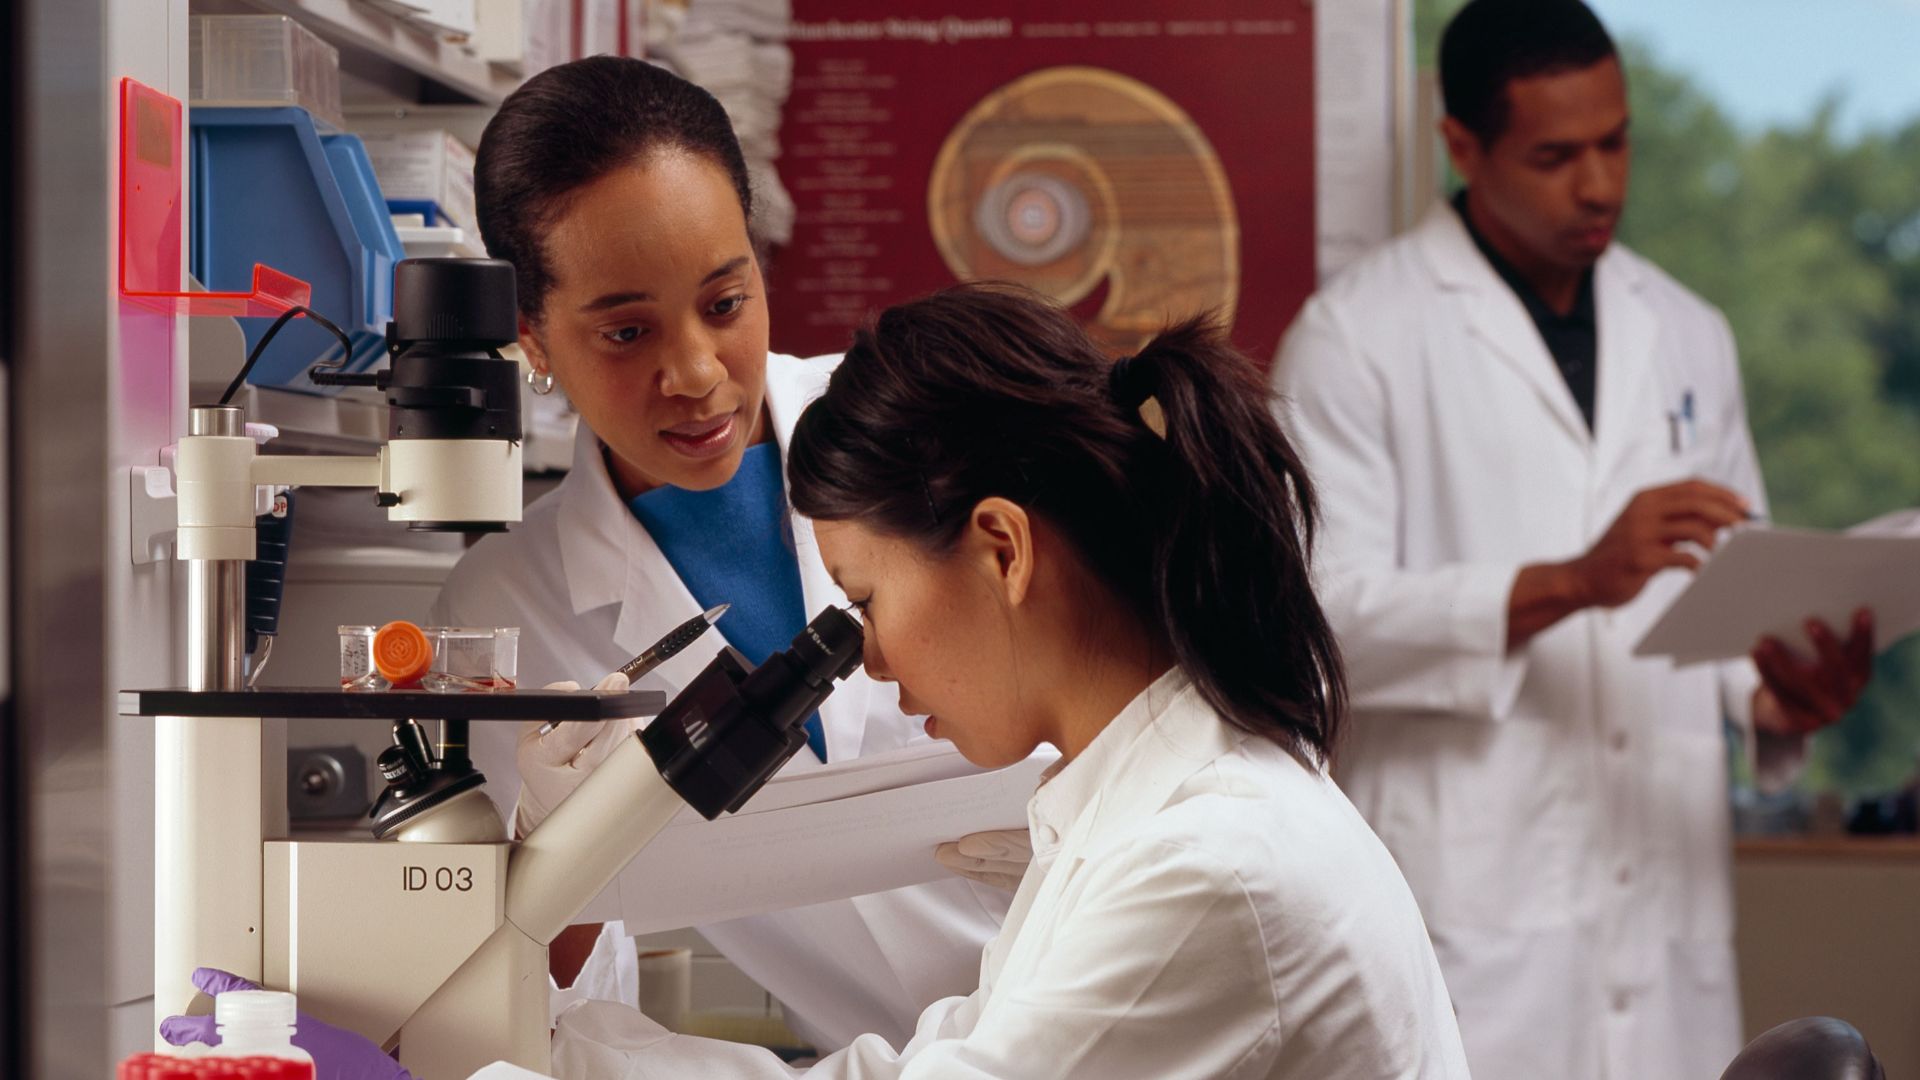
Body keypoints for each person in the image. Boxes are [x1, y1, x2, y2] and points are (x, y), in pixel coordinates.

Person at [532, 284, 1472, 1079]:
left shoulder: (1206, 866)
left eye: (864, 599)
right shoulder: (1136, 803)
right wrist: (558, 1055)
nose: (872, 657)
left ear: (1002, 548)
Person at [1270, 3, 1875, 1078]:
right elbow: (1319, 625)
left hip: (1661, 912)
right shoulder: (1357, 335)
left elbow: (1735, 600)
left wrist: (1781, 692)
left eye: (1615, 142)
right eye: (1555, 156)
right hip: (1469, 920)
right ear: (1463, 146)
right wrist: (1576, 580)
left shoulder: (1688, 332)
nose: (1599, 186)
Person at [429, 56, 1011, 1052]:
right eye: (625, 331)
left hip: (1125, 976)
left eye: (725, 303)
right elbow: (550, 1007)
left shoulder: (925, 425)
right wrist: (556, 857)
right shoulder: (509, 608)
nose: (696, 373)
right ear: (530, 338)